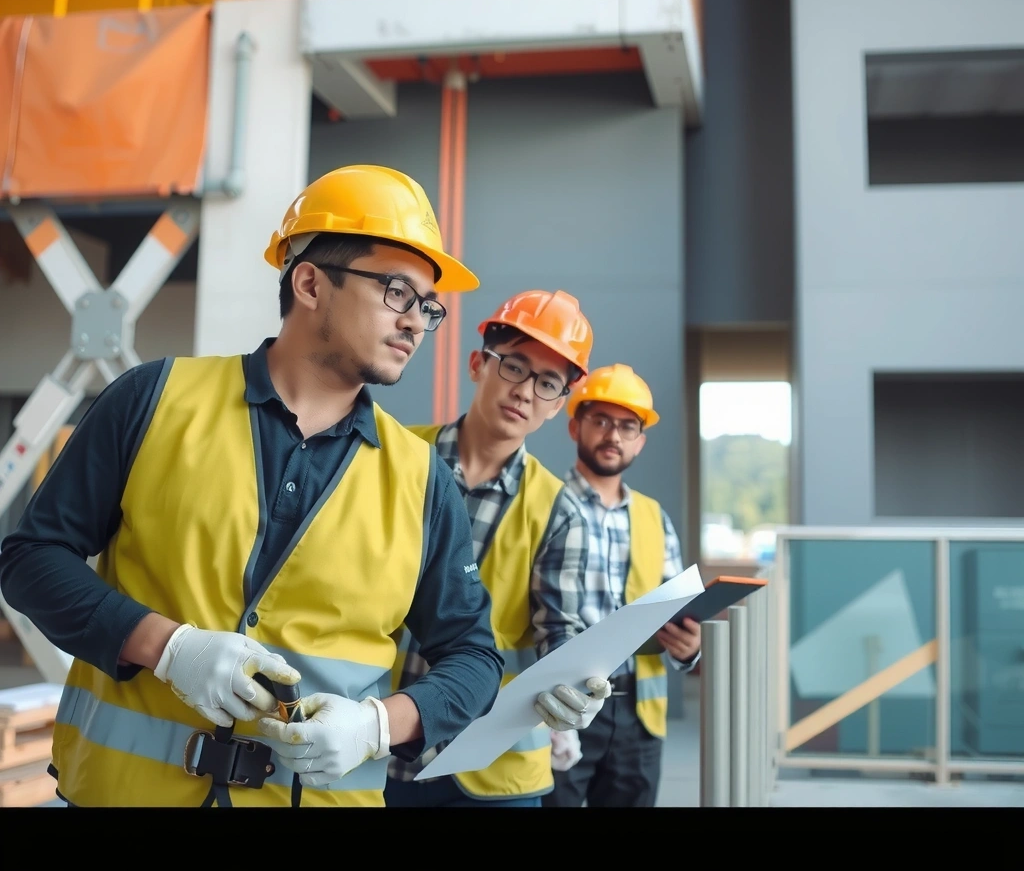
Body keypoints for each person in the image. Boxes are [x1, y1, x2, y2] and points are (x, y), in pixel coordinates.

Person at [0, 164, 507, 808]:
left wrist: (377, 727)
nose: (415, 323)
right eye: (396, 292)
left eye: (428, 307)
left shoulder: (423, 479)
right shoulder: (152, 400)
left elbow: (473, 659)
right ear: (310, 282)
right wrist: (167, 647)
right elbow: (30, 562)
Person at [384, 289, 614, 808]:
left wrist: (578, 687)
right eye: (514, 366)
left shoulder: (559, 511)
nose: (526, 392)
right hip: (373, 742)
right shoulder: (396, 457)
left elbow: (561, 634)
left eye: (548, 383)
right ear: (477, 365)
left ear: (558, 406)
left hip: (492, 769)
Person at [543, 363, 702, 808]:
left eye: (628, 426)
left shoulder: (655, 518)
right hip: (564, 707)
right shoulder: (545, 504)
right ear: (575, 425)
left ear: (640, 441)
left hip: (638, 714)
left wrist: (689, 649)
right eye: (601, 421)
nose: (614, 435)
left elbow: (675, 609)